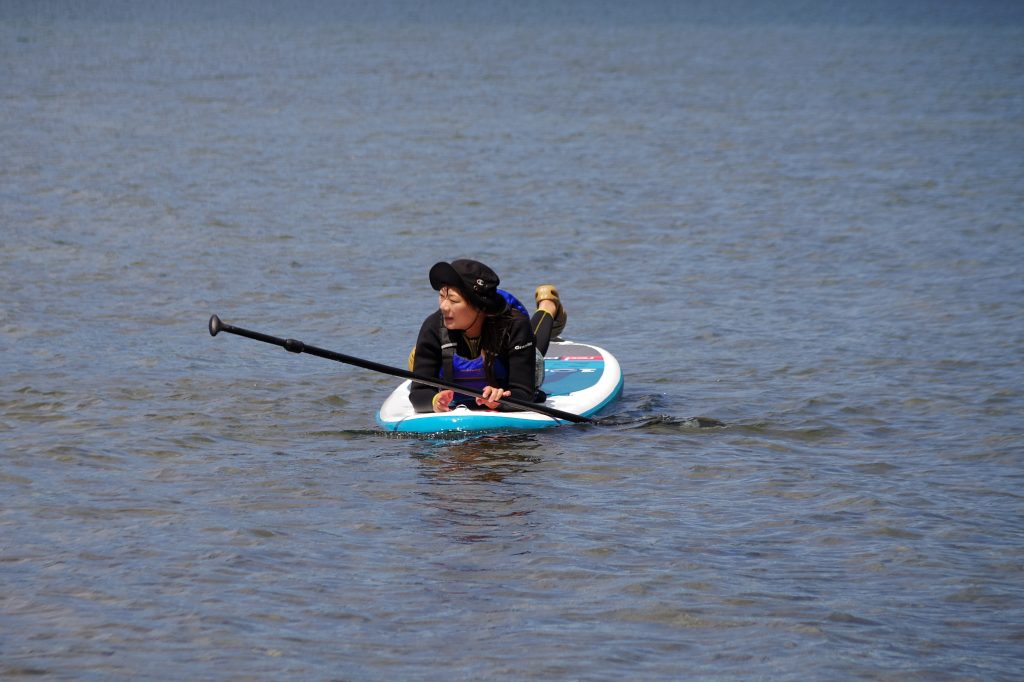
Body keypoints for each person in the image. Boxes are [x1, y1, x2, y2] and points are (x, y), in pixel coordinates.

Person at [409, 259, 568, 413]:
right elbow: (418, 393)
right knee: (418, 356)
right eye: (442, 296)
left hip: (514, 351)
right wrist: (435, 401)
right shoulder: (432, 327)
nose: (443, 307)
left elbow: (523, 394)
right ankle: (420, 354)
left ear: (479, 306)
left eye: (453, 300)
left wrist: (499, 401)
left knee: (536, 352)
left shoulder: (515, 326)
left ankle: (548, 305)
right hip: (447, 352)